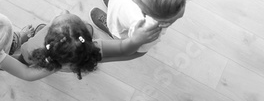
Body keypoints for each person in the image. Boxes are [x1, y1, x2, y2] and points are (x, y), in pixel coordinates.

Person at [17, 10, 161, 79]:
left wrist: (0, 59)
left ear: (48, 36)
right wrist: (137, 40)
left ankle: (41, 30)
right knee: (88, 28)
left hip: (44, 58)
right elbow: (124, 49)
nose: (65, 11)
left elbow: (26, 73)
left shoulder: (34, 48)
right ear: (87, 39)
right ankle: (110, 29)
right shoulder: (95, 48)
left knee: (24, 58)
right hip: (69, 63)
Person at [90, 0, 190, 55]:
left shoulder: (146, 27)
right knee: (118, 1)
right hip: (121, 1)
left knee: (119, 29)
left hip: (123, 25)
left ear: (145, 11)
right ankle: (114, 2)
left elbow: (132, 49)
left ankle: (112, 32)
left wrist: (135, 41)